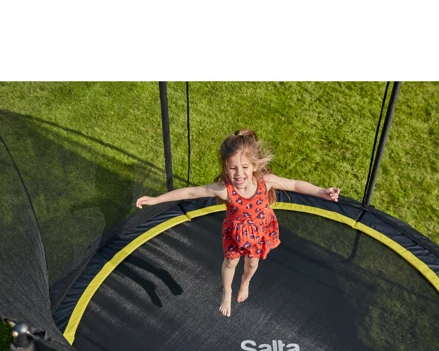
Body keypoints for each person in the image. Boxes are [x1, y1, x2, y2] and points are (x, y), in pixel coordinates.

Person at [136, 129, 340, 317]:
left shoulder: (265, 181)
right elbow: (190, 192)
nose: (239, 174)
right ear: (225, 167)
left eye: (244, 167)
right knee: (231, 263)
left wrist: (321, 191)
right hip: (236, 234)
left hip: (259, 231)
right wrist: (156, 200)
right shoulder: (225, 190)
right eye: (233, 168)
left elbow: (294, 184)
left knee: (252, 263)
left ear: (254, 166)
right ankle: (227, 292)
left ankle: (245, 281)